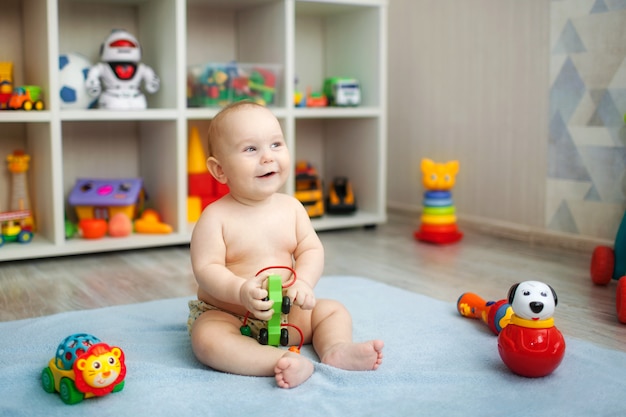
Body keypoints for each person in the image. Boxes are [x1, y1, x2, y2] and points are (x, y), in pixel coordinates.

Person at [188, 101, 384, 389]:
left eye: (276, 144)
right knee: (206, 339)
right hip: (230, 315)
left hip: (286, 314)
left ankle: (336, 349)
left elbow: (310, 249)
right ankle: (273, 362)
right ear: (219, 170)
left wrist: (303, 282)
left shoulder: (291, 208)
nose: (268, 157)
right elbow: (206, 268)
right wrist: (240, 291)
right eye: (251, 149)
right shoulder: (215, 217)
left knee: (332, 311)